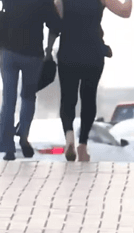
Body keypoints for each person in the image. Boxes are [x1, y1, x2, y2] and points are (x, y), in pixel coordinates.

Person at [50, 0, 131, 161]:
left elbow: (54, 22)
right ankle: (83, 145)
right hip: (92, 52)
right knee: (89, 97)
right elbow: (124, 12)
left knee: (68, 97)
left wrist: (48, 50)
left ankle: (69, 137)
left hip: (68, 51)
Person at [0, 0, 61, 161]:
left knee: (8, 99)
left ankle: (8, 148)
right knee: (28, 96)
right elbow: (55, 25)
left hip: (9, 51)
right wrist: (48, 50)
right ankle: (23, 135)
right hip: (33, 54)